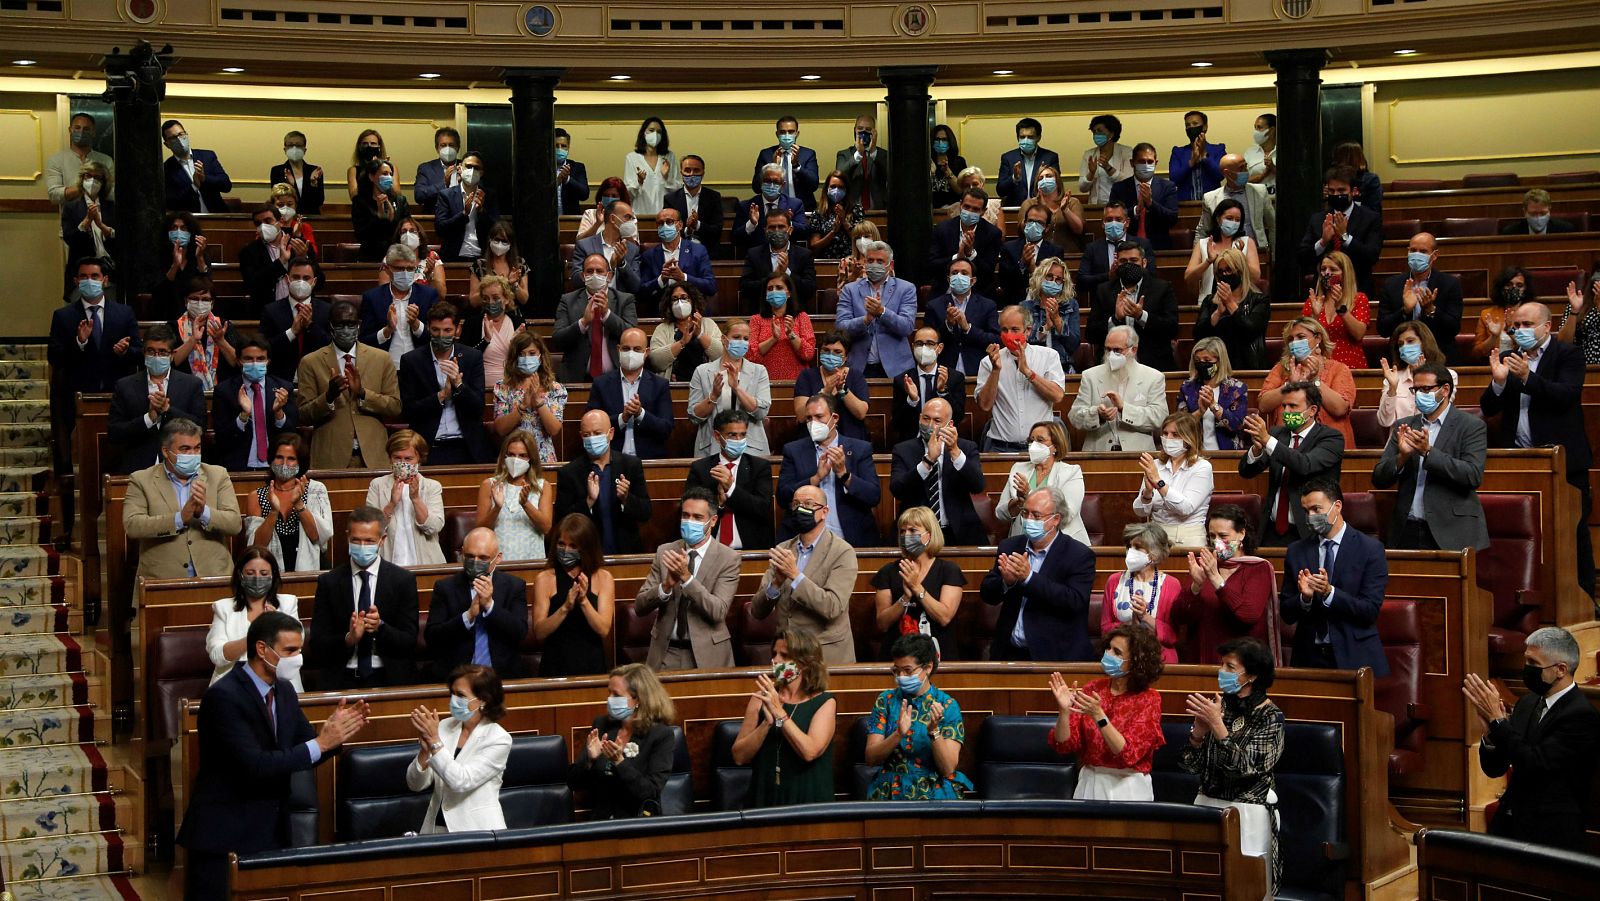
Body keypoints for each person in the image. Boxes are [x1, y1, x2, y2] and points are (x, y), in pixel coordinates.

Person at [178, 612, 368, 901]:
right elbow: (255, 765)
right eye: (290, 650)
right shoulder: (224, 696)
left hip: (272, 833)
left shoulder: (285, 691)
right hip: (225, 837)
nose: (297, 659)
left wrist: (333, 736)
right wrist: (321, 743)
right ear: (262, 649)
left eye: (300, 650)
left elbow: (306, 748)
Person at [1482, 302, 1595, 594]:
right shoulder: (1508, 357)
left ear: (1547, 326)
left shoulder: (1567, 354)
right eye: (1516, 326)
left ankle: (1583, 597)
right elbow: (1488, 407)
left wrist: (1527, 378)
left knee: (1573, 531)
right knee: (1523, 532)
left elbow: (1566, 395)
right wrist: (1498, 383)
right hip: (1519, 461)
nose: (1520, 330)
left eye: (1527, 325)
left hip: (1564, 461)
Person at [1465, 626, 1600, 852]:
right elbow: (1495, 768)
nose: (1526, 669)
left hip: (1551, 832)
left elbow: (1535, 764)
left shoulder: (1581, 716)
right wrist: (1490, 736)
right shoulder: (1527, 703)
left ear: (1561, 669)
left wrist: (1499, 723)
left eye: (1533, 663)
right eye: (1526, 661)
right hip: (1510, 821)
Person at [1181, 637, 1286, 897]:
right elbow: (1190, 767)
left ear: (1251, 676)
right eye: (1222, 665)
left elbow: (1247, 769)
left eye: (1230, 667)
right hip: (1207, 808)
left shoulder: (1271, 717)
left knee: (1245, 889)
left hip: (1247, 813)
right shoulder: (1218, 707)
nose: (1221, 672)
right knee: (1202, 885)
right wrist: (1198, 734)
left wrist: (1218, 727)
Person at [1372, 364, 1489, 552]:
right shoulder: (1405, 426)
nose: (1420, 395)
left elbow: (1472, 475)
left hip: (1451, 530)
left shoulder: (1471, 426)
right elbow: (1379, 478)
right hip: (1407, 528)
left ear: (1445, 390)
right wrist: (1402, 457)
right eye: (1416, 390)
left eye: (1426, 389)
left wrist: (1428, 452)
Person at [1278, 480, 1389, 675]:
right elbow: (1286, 613)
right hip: (1309, 657)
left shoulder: (1370, 550)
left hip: (1354, 656)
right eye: (1306, 511)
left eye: (1316, 509)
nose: (1310, 517)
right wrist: (1305, 598)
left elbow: (1369, 611)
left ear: (1337, 506)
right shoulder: (1296, 551)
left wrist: (1330, 593)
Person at [305, 505, 420, 689]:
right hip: (342, 678)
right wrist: (348, 639)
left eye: (369, 541)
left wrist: (381, 627)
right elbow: (318, 644)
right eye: (356, 540)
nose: (362, 546)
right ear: (347, 537)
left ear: (382, 540)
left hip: (388, 678)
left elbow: (409, 641)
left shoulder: (402, 580)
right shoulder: (329, 582)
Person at [1047, 625, 1167, 800]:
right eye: (1108, 648)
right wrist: (1064, 712)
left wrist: (1099, 715)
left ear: (1136, 662)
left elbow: (1127, 754)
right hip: (1090, 783)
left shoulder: (1148, 699)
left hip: (1128, 787)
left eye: (1117, 652)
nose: (1108, 654)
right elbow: (1064, 745)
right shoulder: (1093, 688)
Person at [980, 486, 1097, 662]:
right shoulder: (1010, 546)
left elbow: (1074, 601)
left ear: (1055, 519)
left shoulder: (1078, 555)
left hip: (1054, 657)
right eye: (1025, 513)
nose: (1028, 520)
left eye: (1036, 515)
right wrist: (1006, 582)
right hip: (1009, 654)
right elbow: (987, 594)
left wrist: (1029, 578)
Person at [637, 488, 741, 670]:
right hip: (665, 653)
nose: (689, 522)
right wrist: (666, 586)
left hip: (708, 654)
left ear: (713, 521)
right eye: (685, 515)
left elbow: (718, 611)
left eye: (697, 517)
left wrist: (686, 578)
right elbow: (640, 606)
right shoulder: (665, 551)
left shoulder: (728, 558)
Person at [124, 418, 241, 580]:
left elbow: (235, 524)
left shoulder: (218, 475)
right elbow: (133, 526)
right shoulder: (141, 480)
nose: (193, 454)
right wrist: (179, 519)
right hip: (162, 579)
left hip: (213, 576)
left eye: (197, 448)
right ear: (166, 451)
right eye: (185, 449)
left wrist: (204, 513)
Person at [754, 484, 860, 663]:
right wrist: (776, 585)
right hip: (786, 655)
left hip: (825, 655)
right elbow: (757, 611)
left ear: (824, 512)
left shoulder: (842, 552)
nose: (800, 509)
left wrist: (795, 576)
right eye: (796, 504)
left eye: (808, 504)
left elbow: (833, 607)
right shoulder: (783, 549)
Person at [732, 627, 837, 807]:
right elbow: (739, 756)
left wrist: (779, 713)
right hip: (765, 797)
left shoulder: (825, 702)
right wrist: (766, 724)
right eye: (774, 654)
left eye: (785, 656)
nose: (776, 660)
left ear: (805, 662)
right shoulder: (761, 699)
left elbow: (810, 751)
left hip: (808, 800)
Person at [865, 634, 974, 800]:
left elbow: (948, 768)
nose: (901, 676)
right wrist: (897, 735)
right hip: (890, 791)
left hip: (932, 792)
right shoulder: (886, 700)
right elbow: (871, 758)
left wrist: (934, 731)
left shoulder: (947, 705)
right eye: (896, 670)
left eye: (907, 670)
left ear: (928, 667)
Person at [297, 299, 403, 469]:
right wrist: (328, 397)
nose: (346, 329)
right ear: (331, 326)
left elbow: (395, 407)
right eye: (340, 324)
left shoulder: (381, 358)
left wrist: (362, 393)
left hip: (373, 456)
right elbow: (303, 414)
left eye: (351, 324)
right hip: (330, 456)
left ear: (359, 325)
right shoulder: (310, 362)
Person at [405, 664, 511, 833]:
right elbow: (415, 784)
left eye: (460, 695)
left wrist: (435, 742)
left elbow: (460, 781)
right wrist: (424, 753)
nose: (454, 700)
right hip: (436, 829)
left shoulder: (498, 739)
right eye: (452, 694)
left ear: (483, 699)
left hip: (478, 831)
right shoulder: (444, 727)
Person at [1239, 381, 1346, 545]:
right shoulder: (1277, 434)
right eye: (1284, 406)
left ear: (1312, 410)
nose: (1286, 411)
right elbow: (1246, 471)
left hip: (1310, 531)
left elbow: (1304, 465)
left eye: (1293, 406)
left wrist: (1267, 440)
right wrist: (1257, 449)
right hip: (1272, 531)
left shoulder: (1331, 438)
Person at [568, 664, 678, 819]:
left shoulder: (660, 735)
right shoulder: (602, 725)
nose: (610, 700)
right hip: (601, 822)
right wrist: (589, 761)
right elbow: (574, 783)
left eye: (616, 695)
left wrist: (620, 762)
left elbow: (650, 792)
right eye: (609, 693)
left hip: (637, 822)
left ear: (638, 699)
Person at [48, 256, 140, 442]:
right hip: (78, 395)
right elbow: (55, 357)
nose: (89, 281)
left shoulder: (124, 313)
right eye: (83, 277)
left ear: (104, 280)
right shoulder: (63, 316)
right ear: (76, 281)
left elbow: (139, 352)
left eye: (94, 276)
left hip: (117, 394)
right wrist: (79, 342)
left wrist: (125, 351)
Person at [778, 394, 881, 549]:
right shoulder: (794, 450)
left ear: (835, 418)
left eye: (819, 417)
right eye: (809, 418)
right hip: (805, 540)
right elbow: (782, 496)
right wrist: (816, 478)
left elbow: (873, 496)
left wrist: (844, 475)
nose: (813, 423)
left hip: (850, 539)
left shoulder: (860, 449)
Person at [1176, 505, 1275, 663]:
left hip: (1240, 661)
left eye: (1223, 536)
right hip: (1202, 658)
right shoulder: (1204, 565)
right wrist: (1196, 586)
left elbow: (1248, 615)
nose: (1216, 542)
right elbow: (1179, 617)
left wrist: (1216, 579)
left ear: (1242, 534)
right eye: (1212, 536)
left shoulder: (1257, 568)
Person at [424, 529, 529, 678]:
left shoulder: (514, 586)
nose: (475, 562)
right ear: (462, 553)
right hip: (457, 675)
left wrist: (490, 606)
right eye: (470, 556)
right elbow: (432, 638)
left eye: (483, 558)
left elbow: (520, 632)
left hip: (501, 676)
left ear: (498, 558)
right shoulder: (445, 587)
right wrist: (468, 616)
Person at [108, 325, 206, 474]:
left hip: (180, 469)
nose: (156, 356)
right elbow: (114, 433)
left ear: (172, 355)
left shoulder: (191, 384)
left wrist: (167, 410)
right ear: (144, 353)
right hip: (138, 469)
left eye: (162, 352)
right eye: (151, 351)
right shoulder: (125, 386)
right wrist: (149, 419)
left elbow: (200, 427)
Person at [554, 410, 653, 555]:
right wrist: (588, 501)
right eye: (587, 435)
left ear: (610, 433)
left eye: (597, 433)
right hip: (587, 555)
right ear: (581, 436)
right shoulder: (569, 473)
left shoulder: (630, 465)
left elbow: (646, 512)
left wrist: (626, 498)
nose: (592, 438)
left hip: (625, 554)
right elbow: (562, 521)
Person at [890, 399, 985, 546]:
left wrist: (955, 452)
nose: (930, 425)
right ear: (919, 418)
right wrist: (927, 461)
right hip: (917, 533)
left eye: (937, 421)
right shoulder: (903, 450)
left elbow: (978, 485)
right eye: (926, 418)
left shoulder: (966, 448)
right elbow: (897, 490)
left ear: (950, 425)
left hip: (958, 532)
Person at [874, 508, 966, 660]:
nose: (906, 536)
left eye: (912, 530)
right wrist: (905, 598)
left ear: (929, 535)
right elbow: (882, 624)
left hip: (938, 654)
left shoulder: (949, 571)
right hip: (896, 656)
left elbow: (944, 617)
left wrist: (917, 588)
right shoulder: (888, 571)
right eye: (902, 531)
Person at [532, 514, 616, 677]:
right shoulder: (545, 579)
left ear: (586, 547)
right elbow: (539, 632)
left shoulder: (603, 578)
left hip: (592, 667)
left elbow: (603, 629)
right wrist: (565, 607)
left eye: (573, 546)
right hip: (554, 668)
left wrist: (583, 601)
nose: (566, 551)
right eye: (561, 544)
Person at [206, 548, 301, 689]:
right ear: (240, 575)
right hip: (234, 687)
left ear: (273, 575)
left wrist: (278, 626)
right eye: (250, 573)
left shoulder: (287, 603)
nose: (257, 578)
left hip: (280, 685)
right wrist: (256, 634)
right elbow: (217, 656)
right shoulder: (223, 608)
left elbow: (296, 648)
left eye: (264, 573)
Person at [977, 305, 1068, 452]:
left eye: (1014, 330)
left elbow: (1057, 396)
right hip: (1001, 447)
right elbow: (985, 405)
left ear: (1028, 330)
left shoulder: (1048, 356)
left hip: (1040, 447)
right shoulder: (988, 361)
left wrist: (1028, 373)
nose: (1009, 335)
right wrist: (995, 371)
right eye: (1004, 330)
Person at [1068, 325, 1169, 453]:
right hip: (1098, 453)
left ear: (1134, 350)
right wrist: (1097, 414)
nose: (1111, 355)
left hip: (1139, 454)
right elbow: (1074, 416)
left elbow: (1159, 417)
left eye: (1117, 350)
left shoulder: (1153, 377)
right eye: (1108, 349)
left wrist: (1124, 408)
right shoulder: (1090, 376)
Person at [1258, 317, 1357, 447]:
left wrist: (1315, 380)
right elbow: (1263, 405)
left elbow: (1340, 409)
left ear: (1318, 338)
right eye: (1291, 339)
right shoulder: (1281, 369)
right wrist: (1290, 385)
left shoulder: (1338, 369)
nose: (1295, 342)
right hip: (1287, 446)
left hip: (1329, 447)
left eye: (1301, 337)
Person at [686, 410, 775, 551]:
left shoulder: (759, 467)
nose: (738, 440)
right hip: (711, 549)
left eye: (743, 435)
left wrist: (731, 488)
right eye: (732, 435)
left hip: (749, 549)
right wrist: (719, 504)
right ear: (717, 436)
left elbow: (762, 508)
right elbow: (690, 510)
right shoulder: (701, 468)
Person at [245, 433, 331, 574]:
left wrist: (298, 504)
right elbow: (257, 546)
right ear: (271, 459)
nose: (284, 464)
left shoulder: (316, 490)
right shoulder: (257, 496)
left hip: (310, 568)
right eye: (279, 457)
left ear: (300, 462)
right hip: (271, 572)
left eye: (291, 459)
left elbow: (317, 536)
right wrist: (273, 512)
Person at [994, 420, 1091, 545]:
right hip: (1023, 543)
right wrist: (1019, 502)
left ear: (1056, 446)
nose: (1034, 445)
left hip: (1062, 544)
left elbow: (1066, 515)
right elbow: (1000, 514)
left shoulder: (1071, 472)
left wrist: (1029, 495)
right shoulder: (1018, 468)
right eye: (1031, 440)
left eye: (1040, 440)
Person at [210, 335, 297, 472]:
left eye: (260, 359)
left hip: (276, 467)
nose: (255, 363)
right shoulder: (225, 391)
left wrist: (279, 413)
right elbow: (222, 439)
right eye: (248, 359)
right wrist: (243, 415)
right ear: (239, 361)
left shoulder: (284, 389)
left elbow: (292, 434)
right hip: (238, 467)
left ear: (268, 361)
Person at [1087, 241, 1178, 371]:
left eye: (1134, 260)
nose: (1128, 265)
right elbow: (1091, 334)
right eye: (1123, 261)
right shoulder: (1103, 290)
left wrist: (1141, 316)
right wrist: (1115, 319)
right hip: (1113, 366)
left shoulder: (1162, 288)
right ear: (1116, 264)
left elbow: (1172, 329)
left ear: (1144, 263)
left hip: (1153, 364)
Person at [688, 318, 773, 458]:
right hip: (712, 449)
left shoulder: (759, 371)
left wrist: (737, 388)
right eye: (736, 337)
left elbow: (761, 412)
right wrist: (713, 396)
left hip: (751, 449)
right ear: (723, 339)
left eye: (746, 338)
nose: (742, 342)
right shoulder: (702, 372)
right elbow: (693, 416)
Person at [586, 326, 673, 460]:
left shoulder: (660, 385)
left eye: (637, 349)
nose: (631, 353)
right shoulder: (601, 384)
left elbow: (666, 428)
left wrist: (640, 414)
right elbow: (591, 426)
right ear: (618, 349)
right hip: (612, 460)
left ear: (646, 352)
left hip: (648, 461)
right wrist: (623, 418)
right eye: (626, 349)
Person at [1297, 166, 1382, 298]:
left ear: (1353, 191)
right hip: (1323, 292)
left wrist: (1345, 237)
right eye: (1332, 191)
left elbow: (1371, 256)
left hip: (1358, 289)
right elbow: (1303, 258)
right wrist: (1323, 242)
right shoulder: (1317, 219)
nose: (1336, 195)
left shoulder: (1370, 218)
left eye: (1341, 190)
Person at [1101, 523, 1182, 661]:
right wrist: (1130, 625)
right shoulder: (1114, 581)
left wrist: (1145, 617)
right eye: (1129, 547)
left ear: (1154, 554)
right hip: (1121, 657)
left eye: (1137, 547)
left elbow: (1172, 635)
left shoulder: (1172, 584)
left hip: (1159, 658)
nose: (1130, 552)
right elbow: (1105, 629)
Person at [1376, 233, 1463, 361]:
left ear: (1435, 255)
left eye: (1423, 251)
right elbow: (1383, 329)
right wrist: (1405, 311)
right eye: (1413, 250)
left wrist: (1431, 310)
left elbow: (1453, 328)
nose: (1417, 255)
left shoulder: (1449, 284)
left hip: (1439, 356)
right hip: (1401, 357)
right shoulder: (1392, 284)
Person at [364, 430, 445, 566]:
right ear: (390, 458)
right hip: (388, 562)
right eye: (397, 458)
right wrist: (391, 503)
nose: (402, 463)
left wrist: (416, 499)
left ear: (419, 460)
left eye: (408, 459)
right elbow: (370, 529)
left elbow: (434, 527)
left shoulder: (432, 486)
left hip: (425, 562)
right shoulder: (377, 485)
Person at [554, 253, 639, 383]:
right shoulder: (567, 300)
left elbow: (632, 337)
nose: (594, 275)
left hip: (616, 379)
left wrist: (607, 315)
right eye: (589, 271)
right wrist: (583, 323)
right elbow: (558, 341)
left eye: (599, 271)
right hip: (577, 379)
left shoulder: (625, 300)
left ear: (609, 276)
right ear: (582, 276)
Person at [1134, 414, 1215, 547]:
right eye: (1165, 433)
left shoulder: (1202, 467)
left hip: (1188, 539)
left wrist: (1158, 482)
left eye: (1175, 435)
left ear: (1189, 438)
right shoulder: (1156, 465)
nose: (1168, 439)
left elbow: (1185, 508)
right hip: (1155, 537)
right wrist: (1147, 493)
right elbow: (1140, 511)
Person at [476, 430, 552, 562]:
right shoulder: (490, 485)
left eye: (522, 455)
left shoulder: (542, 486)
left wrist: (526, 504)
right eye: (511, 454)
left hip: (531, 560)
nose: (516, 460)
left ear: (531, 458)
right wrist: (497, 508)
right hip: (498, 561)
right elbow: (480, 529)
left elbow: (546, 527)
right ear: (504, 456)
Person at [492, 330, 565, 465]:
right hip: (513, 457)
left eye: (532, 353)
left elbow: (554, 429)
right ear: (515, 358)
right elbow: (501, 429)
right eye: (521, 354)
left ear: (540, 356)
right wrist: (522, 406)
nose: (526, 358)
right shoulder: (503, 387)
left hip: (543, 457)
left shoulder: (555, 388)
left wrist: (538, 402)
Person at [1192, 247, 1270, 370]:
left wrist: (1230, 304)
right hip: (1218, 367)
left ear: (1240, 271)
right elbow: (1198, 335)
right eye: (1220, 272)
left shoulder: (1259, 300)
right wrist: (1217, 313)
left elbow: (1251, 331)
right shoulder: (1209, 301)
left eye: (1229, 270)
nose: (1225, 275)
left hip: (1250, 365)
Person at [361, 244, 438, 368]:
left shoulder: (428, 295)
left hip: (419, 367)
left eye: (410, 269)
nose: (405, 273)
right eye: (399, 269)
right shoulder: (372, 298)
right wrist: (387, 330)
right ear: (387, 269)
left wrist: (416, 325)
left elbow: (437, 337)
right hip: (385, 367)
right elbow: (364, 341)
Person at [260, 256, 331, 382]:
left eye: (306, 278)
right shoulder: (271, 310)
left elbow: (331, 346)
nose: (300, 282)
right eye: (296, 277)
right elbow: (264, 348)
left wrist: (310, 326)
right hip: (281, 379)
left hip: (317, 378)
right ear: (287, 279)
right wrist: (291, 332)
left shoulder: (326, 310)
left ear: (314, 282)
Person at [1376, 322, 1456, 430]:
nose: (1405, 347)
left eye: (1410, 341)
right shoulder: (1393, 377)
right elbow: (1384, 421)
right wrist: (1392, 389)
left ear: (1424, 343)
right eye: (1400, 344)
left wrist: (1422, 378)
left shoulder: (1449, 375)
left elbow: (1435, 415)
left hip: (1430, 438)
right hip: (1398, 438)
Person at [924, 263, 999, 377]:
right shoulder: (934, 306)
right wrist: (948, 325)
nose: (959, 276)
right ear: (949, 279)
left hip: (978, 370)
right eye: (954, 273)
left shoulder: (987, 305)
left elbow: (995, 340)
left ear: (973, 281)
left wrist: (968, 328)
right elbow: (927, 342)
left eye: (964, 273)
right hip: (944, 371)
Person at [169, 275, 242, 392]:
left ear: (212, 303)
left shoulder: (223, 325)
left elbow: (238, 362)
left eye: (205, 299)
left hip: (221, 391)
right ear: (186, 301)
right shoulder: (173, 327)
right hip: (183, 391)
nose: (200, 303)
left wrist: (221, 341)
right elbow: (170, 362)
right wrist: (193, 340)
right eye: (194, 298)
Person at [892, 326, 967, 438]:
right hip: (913, 441)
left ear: (939, 348)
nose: (924, 348)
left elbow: (958, 417)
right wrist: (912, 400)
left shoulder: (954, 378)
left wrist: (942, 392)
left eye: (930, 343)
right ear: (913, 347)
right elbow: (897, 423)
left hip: (943, 439)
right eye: (919, 344)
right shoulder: (903, 380)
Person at [238, 205, 313, 317]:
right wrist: (281, 262)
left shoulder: (300, 245)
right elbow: (252, 285)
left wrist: (304, 257)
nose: (263, 226)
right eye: (258, 223)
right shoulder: (249, 251)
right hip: (267, 314)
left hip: (302, 311)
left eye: (268, 221)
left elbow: (319, 282)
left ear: (281, 222)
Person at [927, 187, 1003, 296]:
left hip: (978, 293)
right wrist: (957, 257)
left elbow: (988, 271)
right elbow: (932, 265)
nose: (969, 212)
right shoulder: (942, 229)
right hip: (945, 291)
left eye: (975, 209)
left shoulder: (993, 233)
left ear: (983, 211)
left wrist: (971, 253)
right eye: (966, 207)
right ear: (960, 205)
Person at [740, 207, 817, 314]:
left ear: (790, 230)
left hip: (794, 314)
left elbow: (810, 290)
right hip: (762, 313)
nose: (777, 231)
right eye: (772, 227)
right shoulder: (754, 254)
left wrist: (787, 273)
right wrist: (773, 276)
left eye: (781, 227)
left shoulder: (804, 255)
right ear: (766, 231)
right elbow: (745, 289)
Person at [1178, 338, 1249, 452]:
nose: (1202, 364)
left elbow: (1237, 425)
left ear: (1219, 361)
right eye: (1198, 360)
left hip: (1228, 455)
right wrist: (1200, 412)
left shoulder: (1237, 389)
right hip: (1195, 454)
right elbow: (1179, 428)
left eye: (1207, 360)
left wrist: (1214, 406)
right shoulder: (1187, 388)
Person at [1194, 154, 1274, 255]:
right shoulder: (1210, 198)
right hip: (1223, 255)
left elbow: (1273, 225)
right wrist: (1197, 257)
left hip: (1256, 252)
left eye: (1246, 166)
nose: (1246, 171)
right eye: (1241, 168)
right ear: (1227, 173)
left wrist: (1273, 257)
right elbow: (1202, 231)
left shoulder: (1260, 192)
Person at [641, 205, 716, 311]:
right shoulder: (649, 255)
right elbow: (642, 291)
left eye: (669, 222)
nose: (664, 226)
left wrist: (683, 277)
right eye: (660, 223)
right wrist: (661, 280)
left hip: (694, 310)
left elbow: (710, 287)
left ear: (680, 225)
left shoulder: (698, 250)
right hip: (662, 311)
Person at [1304, 250, 1370, 370]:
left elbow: (1359, 334)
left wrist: (1341, 309)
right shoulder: (1312, 302)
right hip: (1320, 366)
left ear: (1345, 273)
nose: (1327, 273)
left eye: (1333, 270)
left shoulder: (1359, 299)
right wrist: (1315, 316)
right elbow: (1305, 339)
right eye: (1323, 269)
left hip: (1350, 366)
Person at [1109, 143, 1180, 250]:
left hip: (1158, 247)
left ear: (1156, 163)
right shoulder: (1119, 188)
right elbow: (1113, 218)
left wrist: (1151, 203)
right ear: (1132, 163)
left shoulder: (1167, 187)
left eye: (1150, 162)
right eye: (1141, 161)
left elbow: (1172, 219)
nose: (1146, 165)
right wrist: (1136, 210)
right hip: (1126, 248)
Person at [648, 282, 723, 381]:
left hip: (706, 384)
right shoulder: (662, 328)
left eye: (684, 297)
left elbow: (722, 356)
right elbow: (655, 362)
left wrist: (700, 334)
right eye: (674, 299)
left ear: (693, 300)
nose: (679, 302)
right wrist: (682, 342)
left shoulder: (708, 324)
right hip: (674, 385)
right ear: (669, 304)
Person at [1078, 202, 1155, 298]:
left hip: (1137, 298)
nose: (1113, 223)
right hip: (1105, 301)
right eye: (1109, 220)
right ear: (1103, 223)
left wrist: (1131, 272)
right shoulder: (1092, 248)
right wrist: (1108, 276)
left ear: (1127, 222)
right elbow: (1081, 281)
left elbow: (1151, 275)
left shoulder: (1143, 244)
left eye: (1118, 220)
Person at [1017, 256, 1080, 372]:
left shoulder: (1071, 305)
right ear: (1040, 277)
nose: (1053, 282)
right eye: (1049, 276)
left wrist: (1057, 320)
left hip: (1063, 366)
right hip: (1033, 366)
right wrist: (1045, 328)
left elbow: (1073, 345)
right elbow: (1022, 342)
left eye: (1058, 279)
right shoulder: (1025, 307)